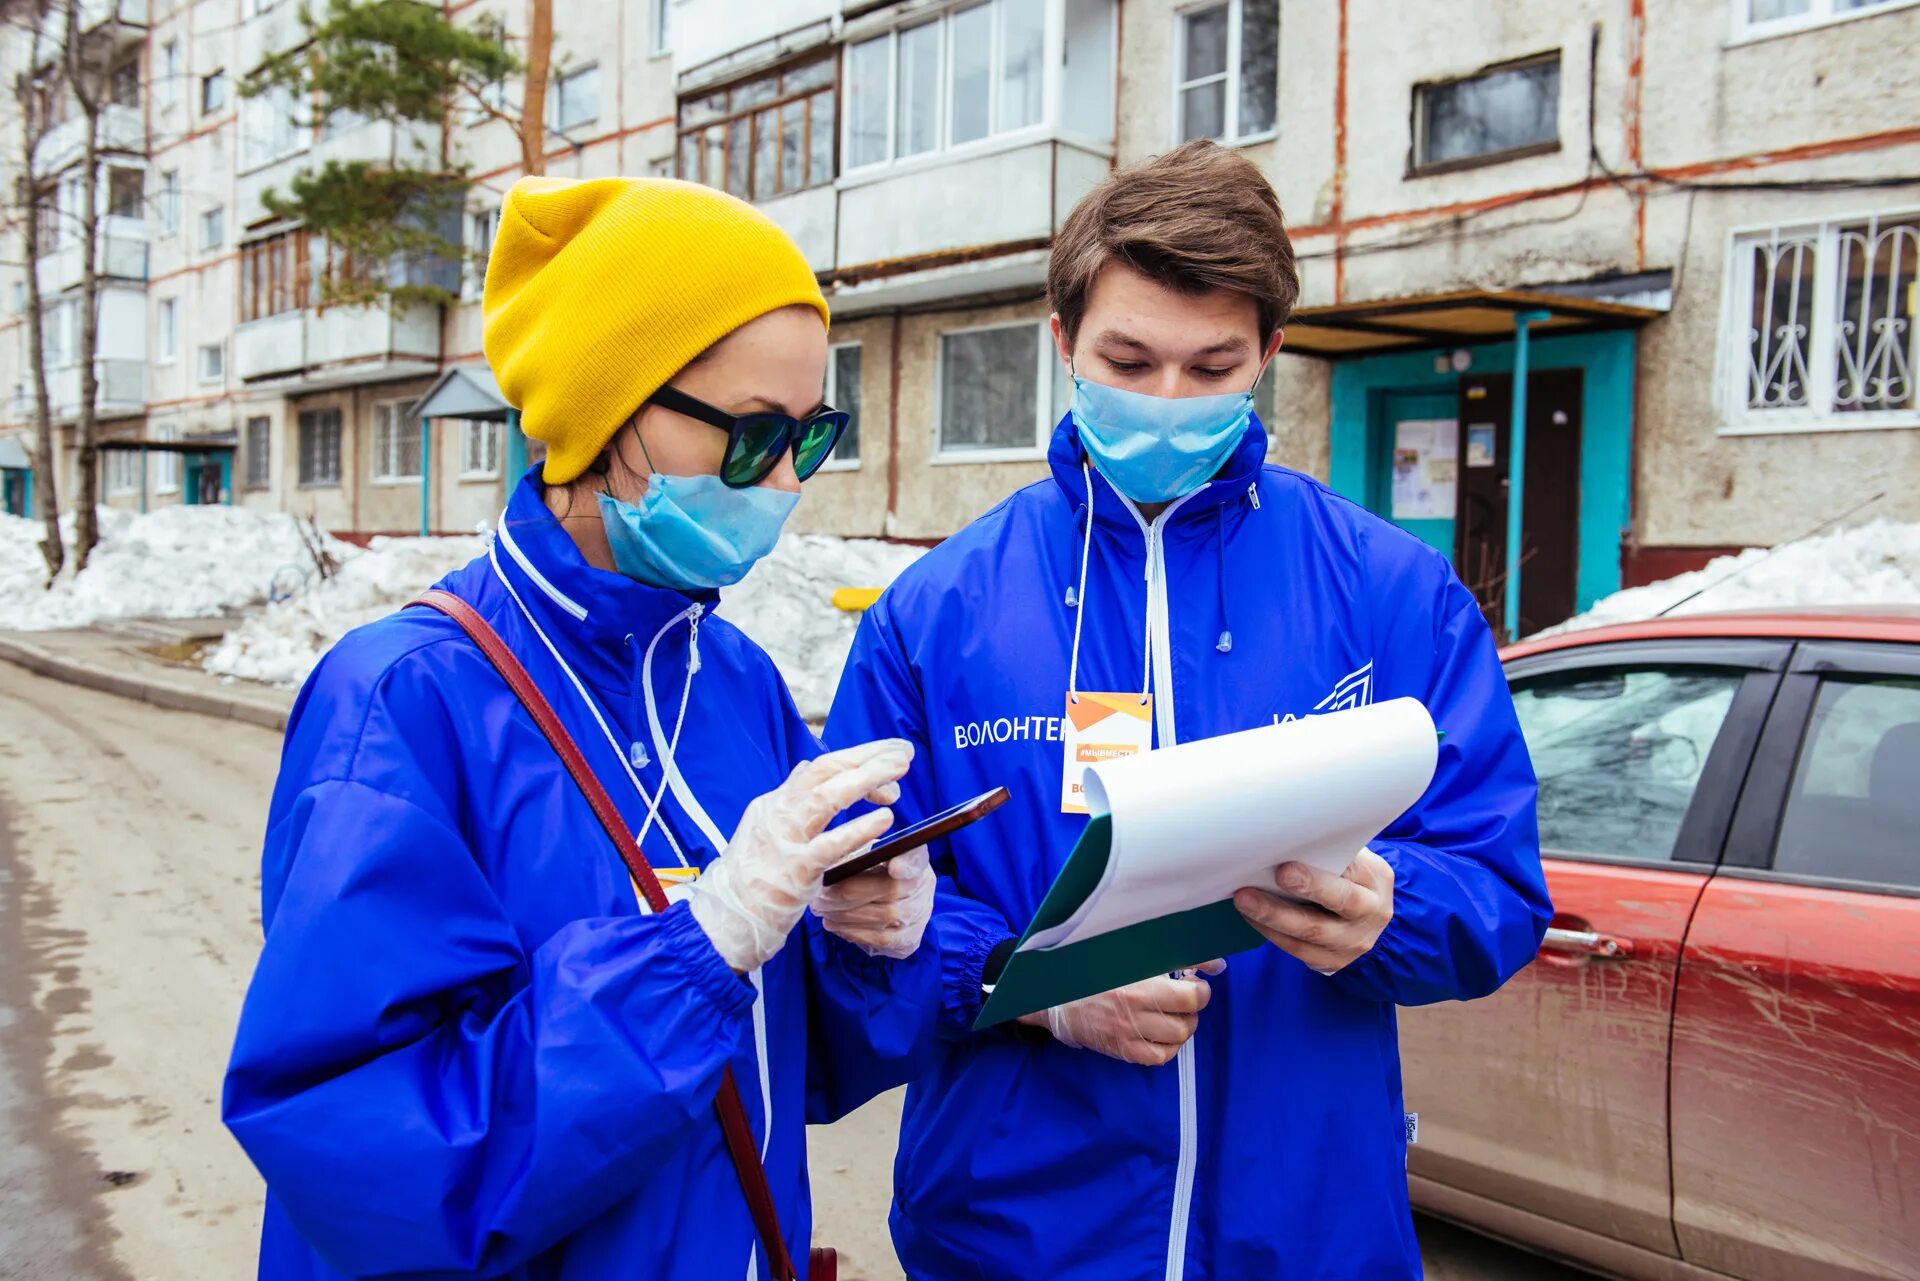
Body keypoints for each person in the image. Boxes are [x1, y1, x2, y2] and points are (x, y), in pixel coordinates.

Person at [824, 141, 1550, 1279]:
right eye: (1130, 359)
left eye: (1212, 367)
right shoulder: (938, 614)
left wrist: (1391, 913)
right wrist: (1039, 990)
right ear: (1063, 344)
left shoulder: (1390, 593)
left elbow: (1499, 889)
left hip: (1303, 1233)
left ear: (1268, 352)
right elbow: (856, 924)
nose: (1167, 401)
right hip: (1016, 1238)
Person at [223, 176, 940, 1280]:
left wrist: (863, 943)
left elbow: (784, 1072)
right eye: (753, 438)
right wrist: (694, 951)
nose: (790, 480)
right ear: (607, 414)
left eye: (815, 435)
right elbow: (368, 1158)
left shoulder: (734, 679)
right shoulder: (403, 703)